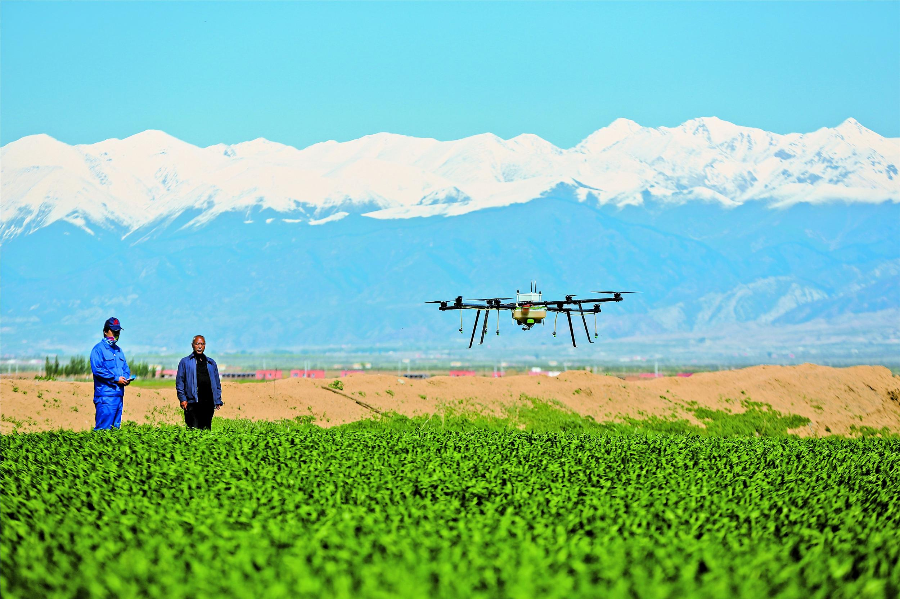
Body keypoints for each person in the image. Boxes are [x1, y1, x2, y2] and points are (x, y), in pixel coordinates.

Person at [89, 317, 132, 430]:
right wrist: (115, 378)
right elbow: (97, 369)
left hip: (118, 396)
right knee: (103, 431)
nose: (116, 334)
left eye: (118, 331)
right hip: (105, 397)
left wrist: (126, 378)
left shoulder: (118, 350)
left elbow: (125, 368)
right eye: (114, 331)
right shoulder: (98, 349)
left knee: (115, 431)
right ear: (105, 331)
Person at [175, 335, 223, 429]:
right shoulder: (185, 362)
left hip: (208, 403)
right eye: (197, 344)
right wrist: (183, 399)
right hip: (193, 402)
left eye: (202, 344)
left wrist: (217, 399)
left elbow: (217, 383)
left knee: (207, 429)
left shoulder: (211, 363)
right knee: (194, 429)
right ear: (192, 345)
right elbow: (180, 382)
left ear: (205, 346)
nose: (200, 346)